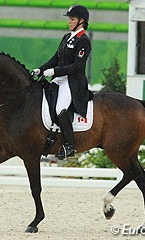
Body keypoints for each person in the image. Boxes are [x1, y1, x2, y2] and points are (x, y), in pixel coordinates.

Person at [32, 4, 93, 159]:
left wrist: (54, 71)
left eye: (72, 19)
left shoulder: (83, 41)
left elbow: (78, 67)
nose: (69, 22)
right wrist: (40, 69)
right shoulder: (67, 37)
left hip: (72, 82)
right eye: (69, 19)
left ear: (81, 21)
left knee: (60, 109)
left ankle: (69, 146)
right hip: (59, 79)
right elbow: (55, 59)